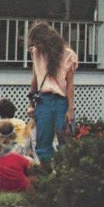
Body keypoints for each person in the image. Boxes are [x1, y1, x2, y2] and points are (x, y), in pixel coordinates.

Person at [26, 21, 78, 161]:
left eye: (39, 42)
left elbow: (70, 85)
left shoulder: (68, 55)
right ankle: (45, 174)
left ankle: (65, 174)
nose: (38, 45)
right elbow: (35, 79)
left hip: (61, 101)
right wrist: (31, 104)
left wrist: (70, 109)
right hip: (43, 101)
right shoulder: (37, 53)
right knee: (43, 142)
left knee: (65, 141)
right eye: (35, 42)